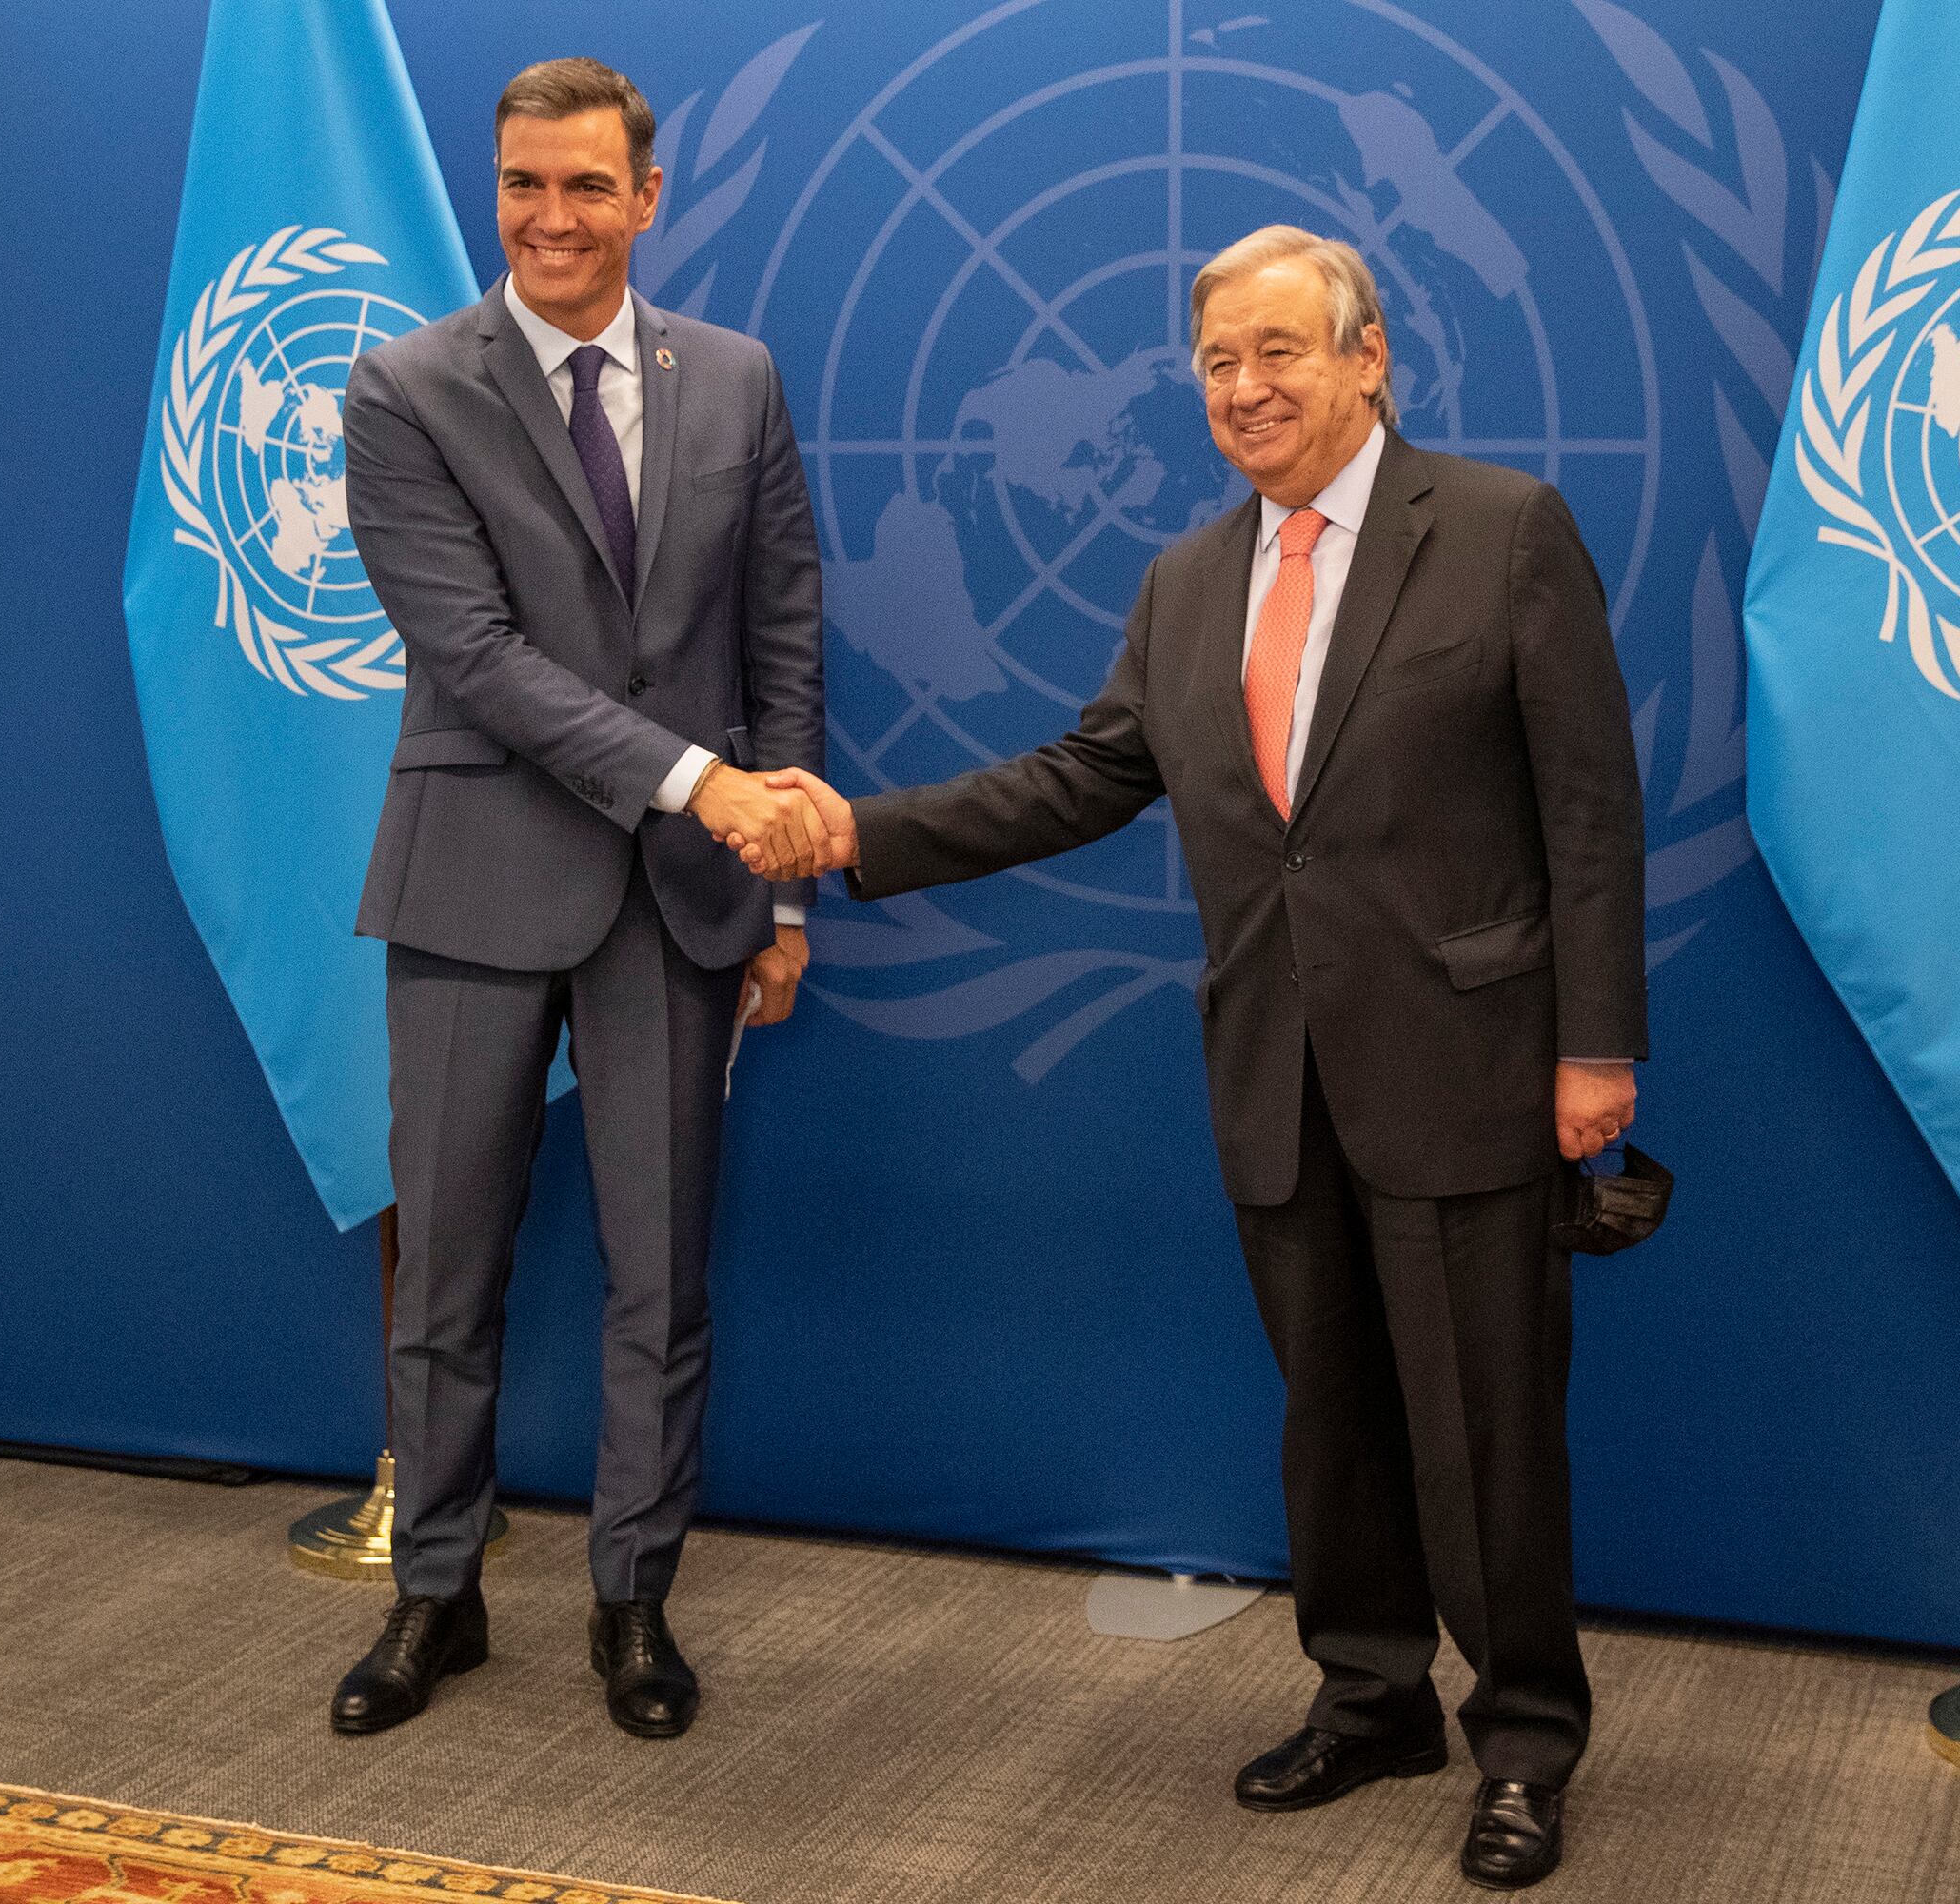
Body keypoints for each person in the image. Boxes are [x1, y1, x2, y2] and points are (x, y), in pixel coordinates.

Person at [740, 227, 1645, 1890]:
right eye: (1219, 361)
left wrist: (1597, 1047)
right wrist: (859, 832)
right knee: (1331, 1421)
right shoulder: (1185, 581)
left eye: (1280, 351)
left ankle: (1524, 1741)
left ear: (1369, 357)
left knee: (1487, 1434)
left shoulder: (1505, 531)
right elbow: (1084, 777)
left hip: (1465, 1070)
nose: (1245, 388)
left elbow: (1590, 809)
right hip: (1276, 1074)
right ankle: (1370, 1698)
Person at [328, 57, 828, 1743]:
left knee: (660, 1281)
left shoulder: (737, 379)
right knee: (446, 1272)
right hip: (474, 881)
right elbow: (472, 656)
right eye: (523, 185)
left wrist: (785, 889)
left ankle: (634, 1603)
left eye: (586, 186)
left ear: (648, 196)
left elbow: (782, 631)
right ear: (498, 191)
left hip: (684, 903)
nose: (551, 218)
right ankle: (436, 1593)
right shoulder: (404, 386)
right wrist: (697, 781)